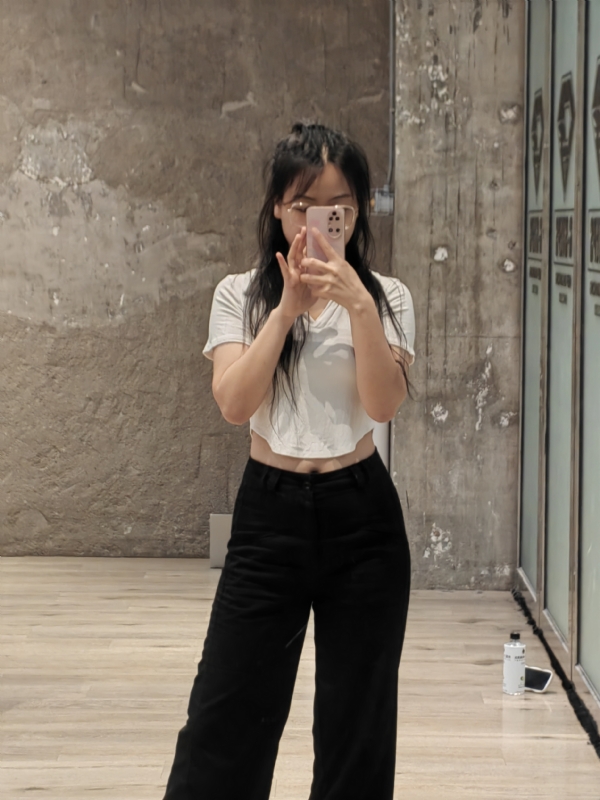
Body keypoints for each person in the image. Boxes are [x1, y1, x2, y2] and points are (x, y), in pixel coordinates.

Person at [162, 121, 416, 800]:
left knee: (357, 725)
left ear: (357, 212)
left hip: (363, 519)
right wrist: (285, 313)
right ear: (278, 207)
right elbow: (234, 404)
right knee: (227, 713)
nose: (318, 222)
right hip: (269, 515)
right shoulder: (239, 294)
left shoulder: (388, 298)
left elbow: (383, 404)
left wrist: (358, 305)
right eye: (303, 205)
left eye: (338, 208)